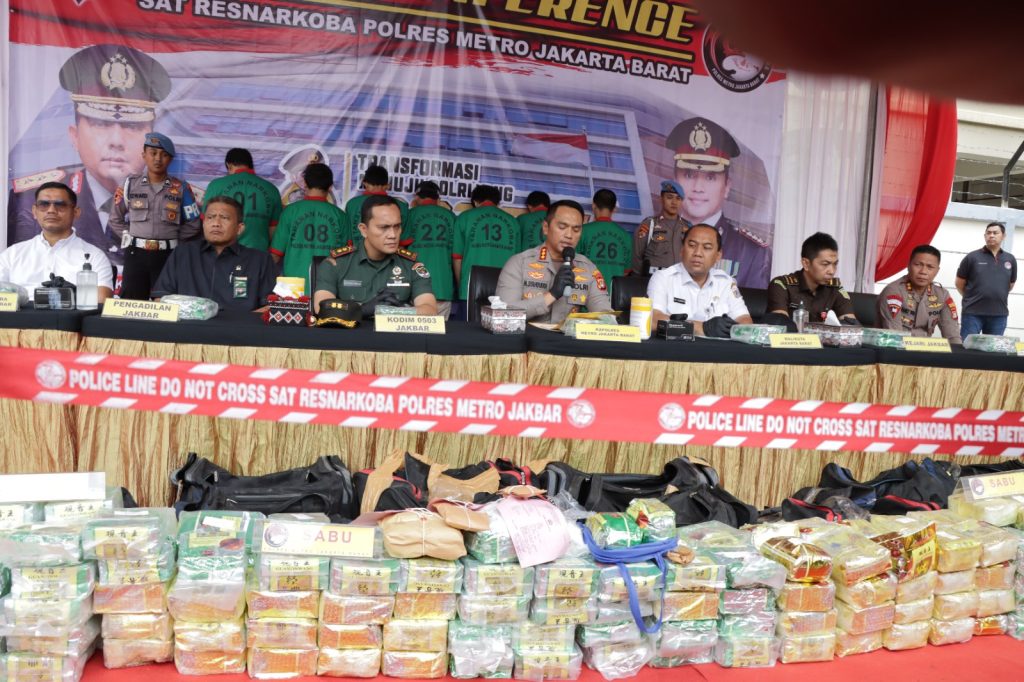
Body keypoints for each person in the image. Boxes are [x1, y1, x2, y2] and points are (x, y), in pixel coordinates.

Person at [7, 45, 171, 266]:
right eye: (101, 124)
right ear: (74, 136)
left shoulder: (175, 201)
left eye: (132, 126)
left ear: (152, 139)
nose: (116, 141)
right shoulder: (31, 200)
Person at [667, 116, 771, 288]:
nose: (698, 187)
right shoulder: (655, 239)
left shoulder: (752, 252)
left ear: (727, 186)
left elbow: (751, 305)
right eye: (689, 175)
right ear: (674, 181)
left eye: (710, 177)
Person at [108, 133, 201, 300]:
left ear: (170, 159)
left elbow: (194, 223)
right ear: (144, 155)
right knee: (132, 305)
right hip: (136, 255)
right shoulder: (130, 185)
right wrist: (131, 238)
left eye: (164, 155)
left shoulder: (181, 188)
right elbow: (115, 219)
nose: (158, 158)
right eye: (153, 153)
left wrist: (172, 239)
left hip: (168, 256)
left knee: (167, 304)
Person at [313, 195, 437, 316]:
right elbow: (322, 308)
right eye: (384, 227)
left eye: (397, 226)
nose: (393, 235)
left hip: (393, 330)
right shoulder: (336, 264)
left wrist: (395, 311)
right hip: (352, 330)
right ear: (363, 230)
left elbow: (430, 310)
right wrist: (361, 310)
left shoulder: (411, 265)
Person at [152, 195, 276, 313]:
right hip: (188, 326)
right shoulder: (183, 254)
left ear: (239, 228)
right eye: (210, 217)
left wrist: (243, 323)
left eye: (224, 218)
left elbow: (270, 307)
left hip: (241, 327)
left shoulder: (260, 260)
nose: (216, 223)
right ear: (204, 224)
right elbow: (160, 298)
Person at [496, 199, 612, 324]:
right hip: (528, 336)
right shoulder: (519, 263)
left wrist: (603, 320)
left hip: (568, 336)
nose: (569, 235)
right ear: (546, 228)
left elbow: (606, 315)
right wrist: (552, 294)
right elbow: (503, 316)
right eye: (562, 227)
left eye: (576, 229)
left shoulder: (588, 268)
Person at [0, 182, 114, 301]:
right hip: (20, 314)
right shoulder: (12, 255)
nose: (51, 210)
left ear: (76, 212)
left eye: (60, 205)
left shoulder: (94, 257)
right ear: (34, 211)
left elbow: (101, 301)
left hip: (71, 313)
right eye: (44, 204)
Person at [646, 224, 752, 337]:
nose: (697, 253)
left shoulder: (725, 282)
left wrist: (729, 330)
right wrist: (702, 328)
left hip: (717, 348)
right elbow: (653, 320)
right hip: (676, 346)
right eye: (692, 245)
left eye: (707, 248)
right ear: (682, 250)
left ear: (718, 255)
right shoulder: (663, 278)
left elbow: (745, 320)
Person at [269, 163, 349, 294]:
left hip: (291, 287)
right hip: (327, 287)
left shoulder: (290, 212)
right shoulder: (340, 216)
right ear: (330, 186)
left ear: (305, 183)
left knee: (289, 308)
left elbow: (275, 255)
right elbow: (347, 258)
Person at [766, 232, 859, 324]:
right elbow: (780, 325)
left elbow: (851, 324)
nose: (832, 271)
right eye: (825, 264)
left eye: (835, 264)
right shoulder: (782, 286)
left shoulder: (835, 289)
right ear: (806, 264)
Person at [202, 148, 282, 252]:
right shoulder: (271, 189)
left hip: (222, 252)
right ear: (250, 165)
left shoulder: (216, 185)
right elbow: (274, 231)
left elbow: (206, 220)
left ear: (229, 166)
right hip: (257, 253)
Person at [453, 184, 521, 304]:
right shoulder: (513, 222)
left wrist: (461, 286)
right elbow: (518, 262)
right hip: (505, 288)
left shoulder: (464, 217)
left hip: (471, 287)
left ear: (475, 202)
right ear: (497, 202)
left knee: (470, 318)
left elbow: (457, 258)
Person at [877, 245, 961, 342]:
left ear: (937, 271)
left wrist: (958, 351)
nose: (923, 271)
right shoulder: (893, 292)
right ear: (908, 266)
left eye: (930, 267)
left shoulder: (942, 295)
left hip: (925, 349)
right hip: (896, 347)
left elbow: (953, 336)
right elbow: (894, 336)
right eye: (918, 265)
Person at [955, 222, 1017, 338]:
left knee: (993, 348)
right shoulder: (972, 257)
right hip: (972, 313)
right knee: (968, 347)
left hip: (999, 315)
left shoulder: (1010, 259)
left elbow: (1010, 284)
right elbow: (959, 283)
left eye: (995, 233)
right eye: (988, 233)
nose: (991, 235)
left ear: (1003, 236)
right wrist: (972, 297)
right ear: (985, 236)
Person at [405, 181, 456, 318]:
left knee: (413, 330)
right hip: (443, 286)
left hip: (414, 288)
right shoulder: (451, 216)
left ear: (417, 197)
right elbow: (456, 254)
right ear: (437, 198)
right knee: (441, 330)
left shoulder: (410, 215)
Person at [578, 189, 632, 297]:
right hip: (614, 297)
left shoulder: (582, 231)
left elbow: (573, 264)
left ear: (593, 206)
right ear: (614, 208)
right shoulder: (625, 236)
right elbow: (626, 271)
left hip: (586, 295)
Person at [631, 180, 688, 275]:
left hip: (679, 279)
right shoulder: (649, 225)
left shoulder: (687, 228)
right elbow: (637, 258)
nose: (674, 202)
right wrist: (641, 280)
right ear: (661, 199)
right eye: (669, 197)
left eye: (678, 198)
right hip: (653, 279)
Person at [343, 164, 408, 244]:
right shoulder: (401, 206)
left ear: (364, 183)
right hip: (388, 250)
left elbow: (347, 238)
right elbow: (403, 241)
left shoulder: (352, 204)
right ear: (387, 186)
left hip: (357, 250)